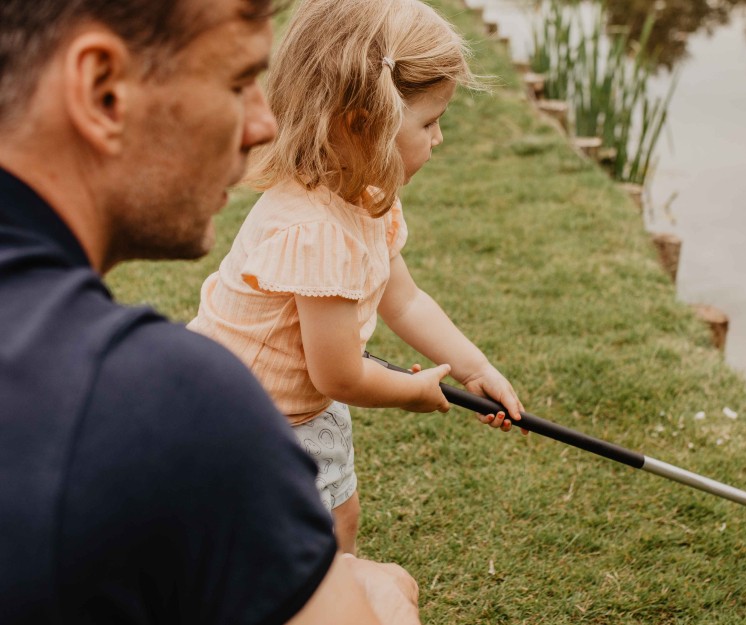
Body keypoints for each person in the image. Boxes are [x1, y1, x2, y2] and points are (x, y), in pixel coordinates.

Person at [0, 0, 421, 623]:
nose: (265, 125)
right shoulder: (182, 403)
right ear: (102, 91)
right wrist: (381, 601)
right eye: (239, 82)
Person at [188, 0, 526, 557]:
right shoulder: (316, 231)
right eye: (429, 122)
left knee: (341, 515)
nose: (439, 138)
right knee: (282, 545)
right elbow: (339, 374)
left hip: (302, 408)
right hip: (246, 421)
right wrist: (412, 393)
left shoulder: (365, 197)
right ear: (361, 124)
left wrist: (475, 368)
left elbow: (405, 300)